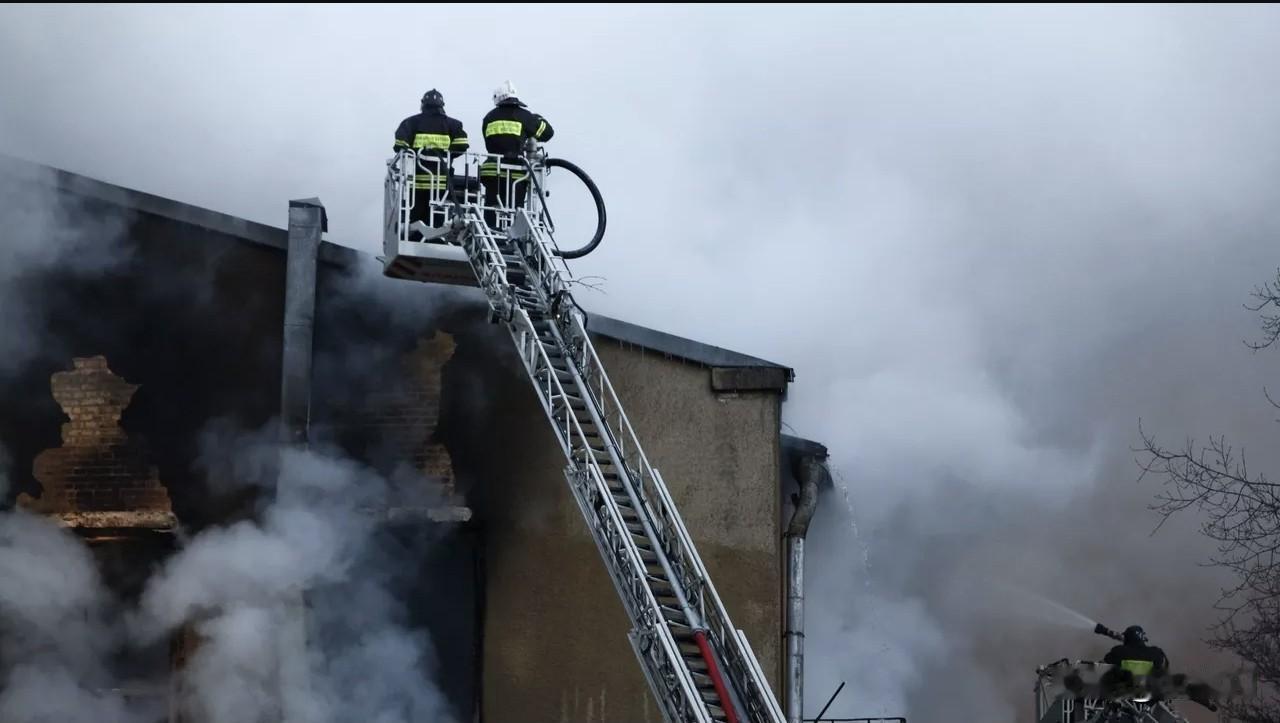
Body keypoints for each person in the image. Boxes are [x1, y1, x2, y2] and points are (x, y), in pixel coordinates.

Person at [393, 89, 469, 237]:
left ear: (423, 104)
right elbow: (462, 145)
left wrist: (415, 152)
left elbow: (400, 145)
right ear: (442, 105)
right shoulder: (453, 124)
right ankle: (438, 240)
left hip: (417, 182)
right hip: (442, 183)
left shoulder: (410, 122)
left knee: (416, 218)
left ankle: (416, 240)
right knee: (439, 219)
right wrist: (447, 155)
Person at [480, 80, 554, 229]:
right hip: (516, 173)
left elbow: (489, 143)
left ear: (497, 99)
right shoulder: (525, 116)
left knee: (491, 210)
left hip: (492, 171)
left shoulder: (488, 117)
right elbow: (548, 133)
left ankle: (491, 233)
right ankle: (513, 237)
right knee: (515, 211)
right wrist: (538, 119)